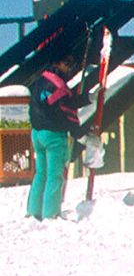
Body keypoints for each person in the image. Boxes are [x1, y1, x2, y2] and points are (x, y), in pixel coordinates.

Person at [26, 44, 87, 222]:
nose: (70, 68)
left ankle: (33, 211)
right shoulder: (59, 86)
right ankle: (51, 214)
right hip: (53, 135)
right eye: (67, 63)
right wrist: (79, 132)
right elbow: (67, 110)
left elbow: (60, 102)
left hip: (37, 133)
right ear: (58, 63)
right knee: (55, 174)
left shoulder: (39, 81)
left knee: (41, 173)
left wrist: (83, 100)